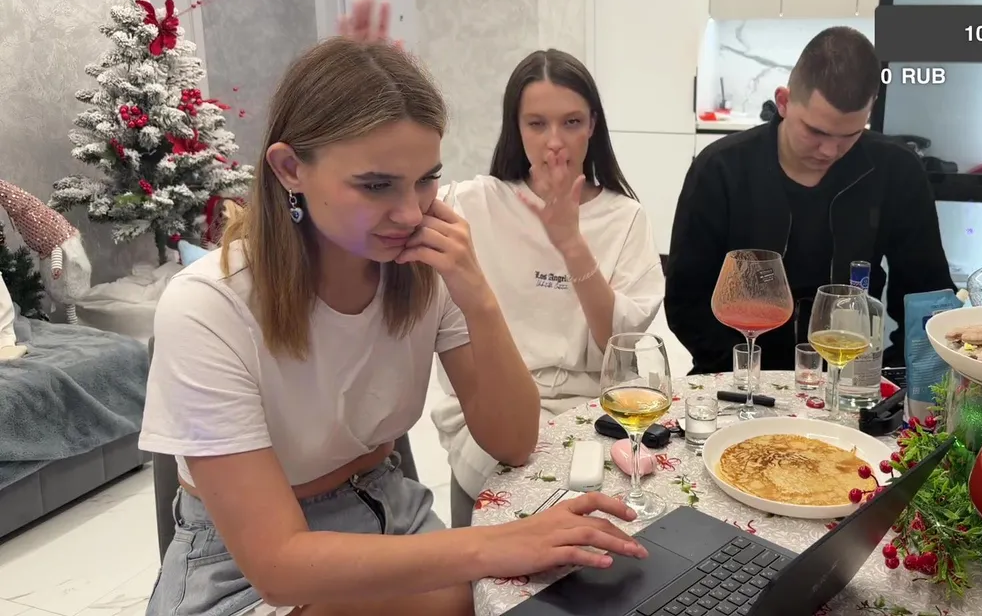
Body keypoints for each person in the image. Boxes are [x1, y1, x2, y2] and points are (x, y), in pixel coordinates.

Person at [140, 35, 648, 616]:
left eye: (426, 179)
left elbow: (513, 440)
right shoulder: (207, 308)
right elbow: (279, 566)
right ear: (290, 168)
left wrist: (478, 297)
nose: (410, 212)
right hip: (243, 570)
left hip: (391, 513)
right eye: (377, 185)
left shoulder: (423, 269)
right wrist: (493, 545)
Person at [432, 48, 665, 525]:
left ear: (593, 124)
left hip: (589, 406)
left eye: (571, 122)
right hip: (492, 405)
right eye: (536, 124)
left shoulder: (625, 217)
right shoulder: (471, 203)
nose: (554, 142)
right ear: (515, 128)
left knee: (613, 514)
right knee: (521, 510)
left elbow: (617, 344)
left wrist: (571, 244)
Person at [664, 26, 953, 375]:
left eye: (849, 134)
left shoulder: (896, 171)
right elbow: (686, 302)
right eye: (815, 131)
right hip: (739, 373)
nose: (829, 150)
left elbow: (927, 298)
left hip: (849, 373)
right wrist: (746, 374)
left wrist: (889, 375)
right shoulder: (721, 169)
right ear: (783, 102)